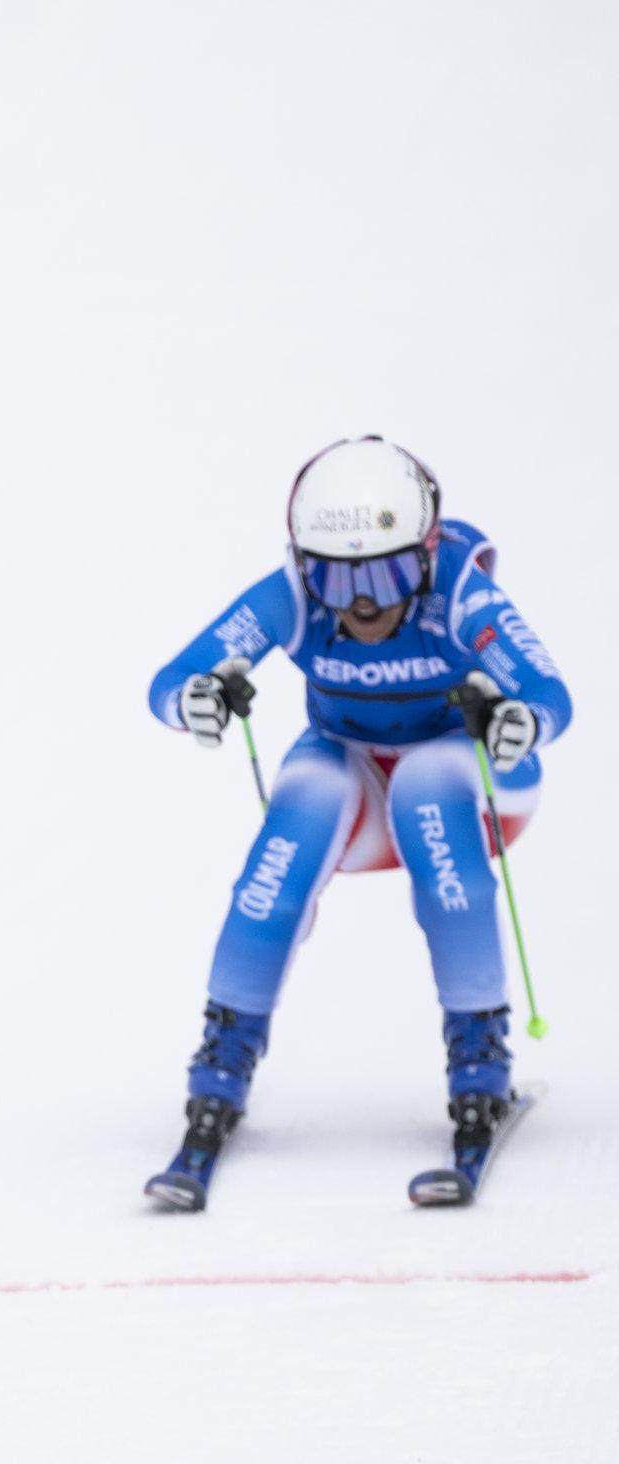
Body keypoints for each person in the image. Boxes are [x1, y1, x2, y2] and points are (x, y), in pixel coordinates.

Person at [144, 437, 572, 1207]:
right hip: (349, 763)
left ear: (426, 555)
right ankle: (221, 1067)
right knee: (292, 826)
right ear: (305, 565)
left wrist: (522, 721)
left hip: (471, 775)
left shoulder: (460, 595)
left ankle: (480, 1062)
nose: (363, 602)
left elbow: (549, 691)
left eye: (387, 573)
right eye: (336, 577)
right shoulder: (294, 594)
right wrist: (195, 699)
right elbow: (172, 677)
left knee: (428, 788)